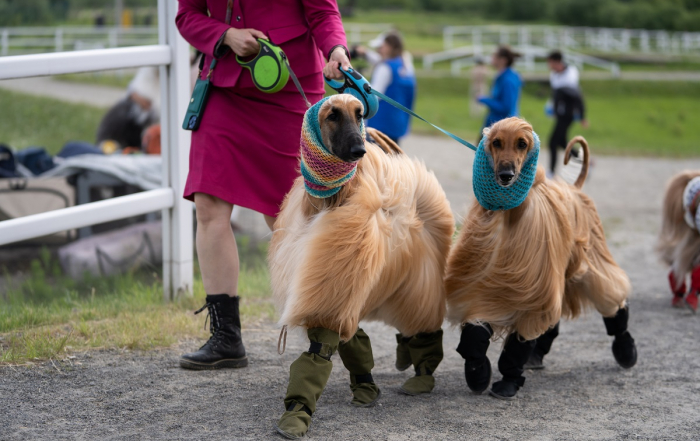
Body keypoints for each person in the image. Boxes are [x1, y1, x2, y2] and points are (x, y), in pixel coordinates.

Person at [175, 0, 351, 371]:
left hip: (288, 89)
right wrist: (224, 35)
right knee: (208, 206)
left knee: (288, 216)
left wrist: (335, 49)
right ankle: (226, 337)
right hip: (224, 89)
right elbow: (187, 15)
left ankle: (324, 324)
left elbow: (322, 11)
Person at [355, 31, 416, 145]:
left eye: (381, 47)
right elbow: (380, 60)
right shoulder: (405, 64)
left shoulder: (385, 67)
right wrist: (365, 53)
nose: (378, 50)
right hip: (397, 122)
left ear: (389, 47)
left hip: (380, 123)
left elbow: (373, 96)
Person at [547, 50, 588, 175]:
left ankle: (551, 172)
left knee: (552, 142)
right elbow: (556, 95)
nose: (549, 65)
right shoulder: (554, 75)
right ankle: (584, 163)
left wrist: (582, 116)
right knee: (562, 143)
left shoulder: (571, 73)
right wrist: (552, 107)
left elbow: (577, 97)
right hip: (559, 114)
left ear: (556, 61)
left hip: (568, 114)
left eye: (550, 62)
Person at [477, 45, 522, 141]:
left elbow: (506, 107)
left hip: (502, 129)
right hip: (493, 124)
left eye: (494, 56)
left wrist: (484, 100)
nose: (491, 58)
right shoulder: (501, 76)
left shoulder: (508, 80)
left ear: (503, 60)